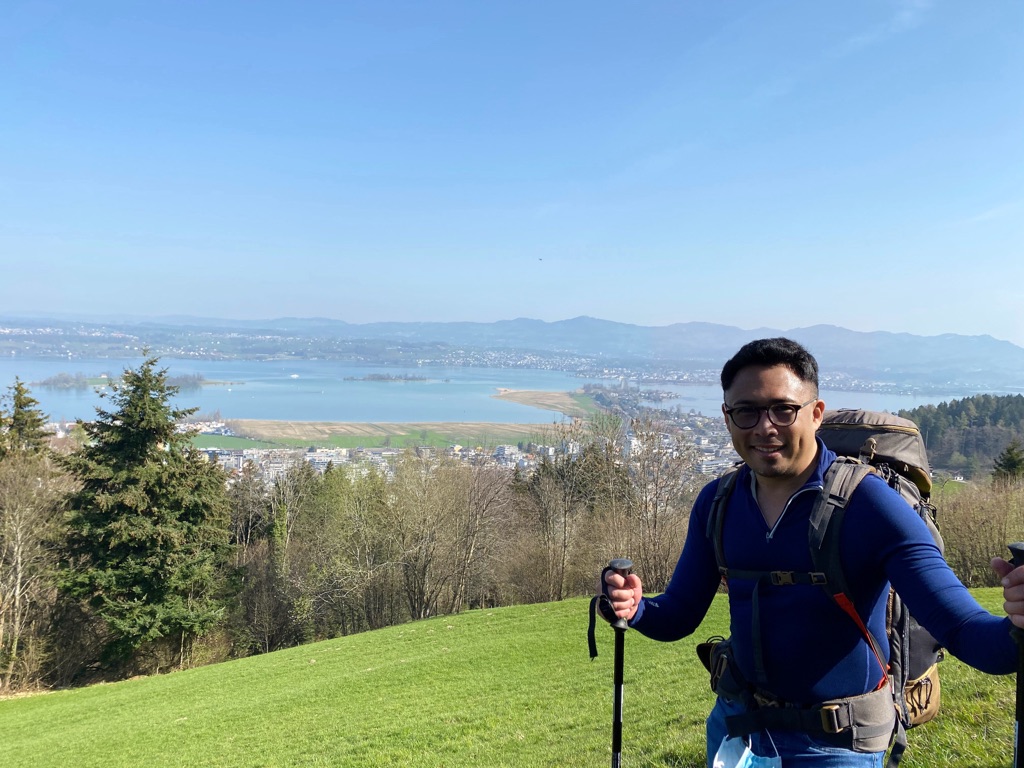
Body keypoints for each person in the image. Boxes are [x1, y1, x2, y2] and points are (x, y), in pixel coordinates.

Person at [603, 337, 1024, 767]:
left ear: (816, 413)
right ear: (727, 418)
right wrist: (634, 607)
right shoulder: (718, 502)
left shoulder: (871, 507)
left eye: (783, 409)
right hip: (737, 729)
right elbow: (678, 615)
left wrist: (1016, 629)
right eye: (746, 411)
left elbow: (968, 634)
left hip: (836, 744)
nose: (764, 427)